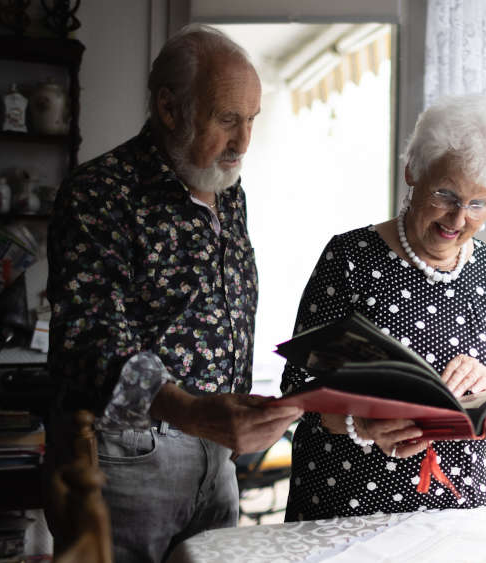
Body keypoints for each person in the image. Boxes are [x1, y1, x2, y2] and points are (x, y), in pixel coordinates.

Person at [46, 24, 303, 562]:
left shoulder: (229, 192)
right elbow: (92, 340)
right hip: (127, 458)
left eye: (252, 120)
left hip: (217, 457)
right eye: (227, 118)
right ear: (169, 108)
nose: (243, 142)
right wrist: (193, 412)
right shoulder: (101, 192)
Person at [282, 95, 486, 520]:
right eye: (446, 194)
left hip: (454, 511)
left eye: (477, 204)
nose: (457, 218)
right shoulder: (350, 258)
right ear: (412, 172)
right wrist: (361, 422)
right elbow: (297, 387)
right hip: (344, 504)